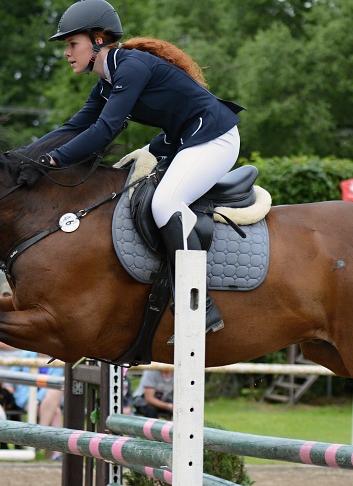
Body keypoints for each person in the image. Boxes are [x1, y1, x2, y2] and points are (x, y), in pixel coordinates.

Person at [38, 0, 244, 335]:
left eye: (72, 44)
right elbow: (72, 128)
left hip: (214, 139)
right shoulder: (105, 84)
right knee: (128, 171)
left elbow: (105, 130)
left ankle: (199, 304)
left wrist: (57, 159)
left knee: (165, 204)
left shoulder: (131, 67)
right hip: (184, 140)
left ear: (98, 40)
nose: (66, 52)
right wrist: (23, 156)